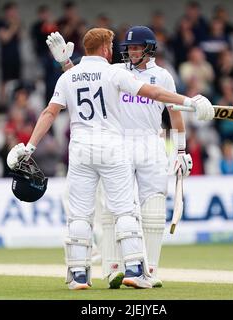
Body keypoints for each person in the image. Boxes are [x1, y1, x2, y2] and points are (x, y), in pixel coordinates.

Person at [7, 27, 214, 290]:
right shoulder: (115, 72)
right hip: (113, 147)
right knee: (125, 210)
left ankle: (79, 275)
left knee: (80, 215)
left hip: (81, 149)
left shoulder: (70, 76)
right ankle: (134, 270)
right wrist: (191, 101)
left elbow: (49, 112)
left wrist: (30, 146)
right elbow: (156, 94)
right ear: (105, 49)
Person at [48, 26, 193, 289]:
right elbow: (81, 83)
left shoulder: (163, 76)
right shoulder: (118, 70)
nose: (132, 52)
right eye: (129, 48)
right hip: (119, 142)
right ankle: (113, 268)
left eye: (137, 47)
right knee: (114, 208)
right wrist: (66, 63)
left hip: (151, 141)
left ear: (149, 49)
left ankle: (148, 270)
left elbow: (175, 115)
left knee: (153, 207)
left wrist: (181, 150)